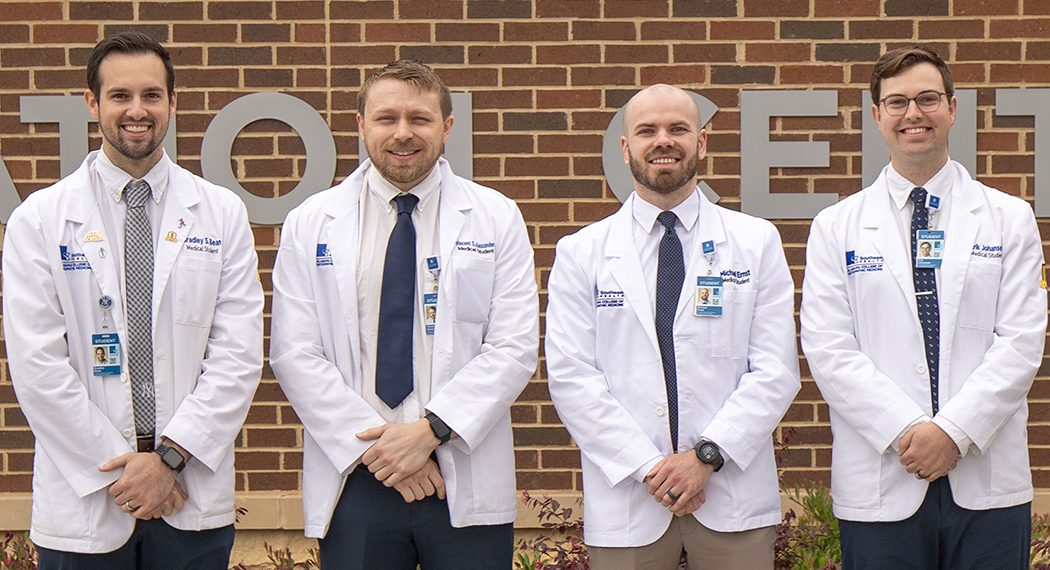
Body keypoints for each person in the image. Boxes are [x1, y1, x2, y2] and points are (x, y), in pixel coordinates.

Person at [2, 32, 264, 569]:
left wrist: (168, 460)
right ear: (92, 103)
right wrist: (127, 470)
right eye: (120, 95)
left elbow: (237, 356)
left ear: (173, 102)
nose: (137, 111)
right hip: (89, 496)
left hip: (188, 489)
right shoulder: (40, 219)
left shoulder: (221, 213)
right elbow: (37, 366)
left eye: (151, 95)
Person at [270, 59, 538, 569]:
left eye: (419, 119)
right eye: (386, 118)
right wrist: (386, 452)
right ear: (360, 125)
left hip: (461, 469)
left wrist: (429, 432)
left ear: (447, 127)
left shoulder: (496, 216)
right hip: (358, 477)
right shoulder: (312, 221)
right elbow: (293, 352)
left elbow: (513, 347)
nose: (402, 133)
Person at [800, 45, 1046, 569]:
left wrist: (953, 432)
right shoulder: (836, 226)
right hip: (883, 472)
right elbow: (828, 347)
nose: (913, 113)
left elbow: (1021, 342)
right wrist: (909, 431)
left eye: (928, 99)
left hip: (986, 478)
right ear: (877, 116)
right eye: (897, 102)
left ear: (952, 108)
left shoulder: (1009, 218)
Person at [545, 84, 800, 569]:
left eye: (678, 128)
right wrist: (651, 469)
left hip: (730, 496)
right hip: (630, 498)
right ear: (626, 148)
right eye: (648, 130)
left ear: (701, 142)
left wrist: (705, 457)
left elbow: (775, 371)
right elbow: (572, 378)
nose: (663, 140)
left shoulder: (755, 241)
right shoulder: (581, 252)